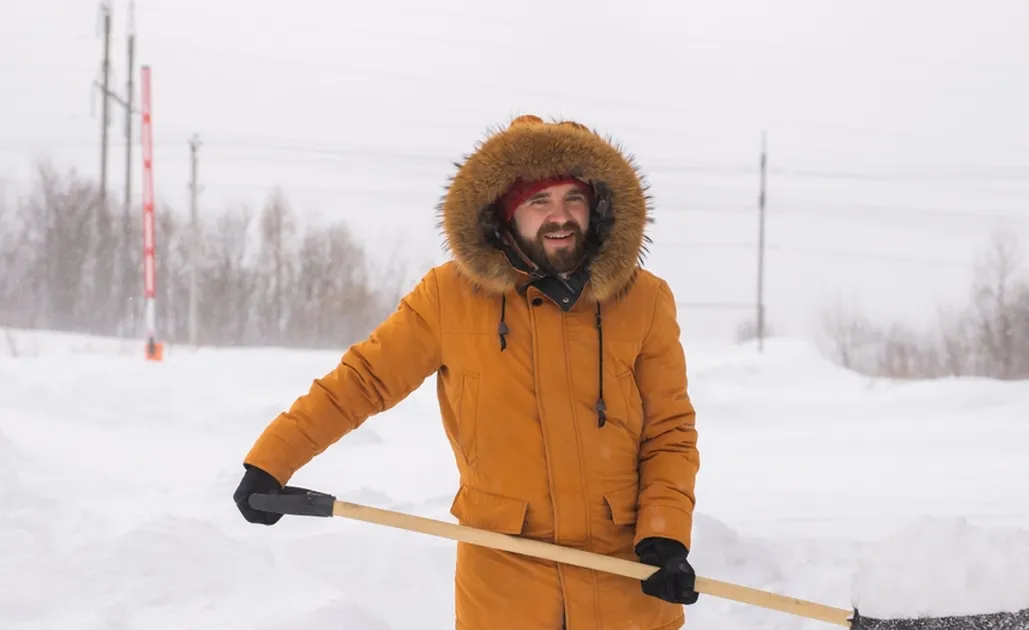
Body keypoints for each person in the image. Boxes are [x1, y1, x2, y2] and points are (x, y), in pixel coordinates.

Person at [233, 114, 702, 630]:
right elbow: (364, 380)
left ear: (597, 205)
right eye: (539, 200)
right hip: (504, 585)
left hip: (624, 582)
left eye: (574, 197)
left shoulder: (644, 300)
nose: (560, 216)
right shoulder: (450, 297)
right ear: (505, 214)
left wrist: (665, 536)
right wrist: (274, 459)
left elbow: (669, 432)